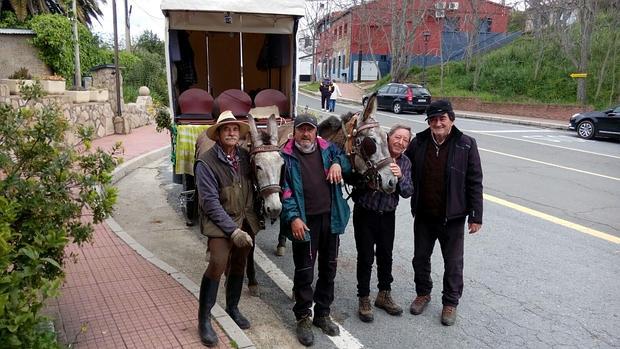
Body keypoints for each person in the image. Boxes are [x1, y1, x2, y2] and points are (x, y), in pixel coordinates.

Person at [404, 100, 483, 326]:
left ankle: (450, 302)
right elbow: (404, 166)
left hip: (454, 217)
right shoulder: (418, 143)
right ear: (428, 122)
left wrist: (476, 216)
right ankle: (423, 293)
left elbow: (475, 181)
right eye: (433, 119)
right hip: (424, 215)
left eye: (442, 119)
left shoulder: (466, 144)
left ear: (451, 119)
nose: (438, 123)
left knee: (454, 263)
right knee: (420, 258)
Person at [280, 113, 352, 346]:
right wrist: (293, 218)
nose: (305, 134)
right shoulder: (286, 156)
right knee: (304, 271)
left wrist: (337, 163)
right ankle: (303, 317)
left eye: (309, 129)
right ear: (294, 132)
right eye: (301, 129)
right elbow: (285, 190)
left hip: (330, 219)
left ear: (315, 132)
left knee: (329, 269)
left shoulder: (328, 149)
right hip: (304, 223)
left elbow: (347, 162)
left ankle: (322, 313)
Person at [194, 111, 260, 347]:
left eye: (235, 129)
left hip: (245, 219)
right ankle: (204, 319)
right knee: (218, 262)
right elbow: (209, 202)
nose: (231, 133)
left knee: (240, 263)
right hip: (220, 222)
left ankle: (233, 307)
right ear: (219, 134)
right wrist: (232, 231)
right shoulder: (206, 162)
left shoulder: (244, 156)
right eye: (226, 129)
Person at [352, 125, 414, 323]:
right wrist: (367, 182)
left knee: (386, 256)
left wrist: (400, 177)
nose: (400, 142)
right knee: (366, 257)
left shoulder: (405, 163)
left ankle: (384, 294)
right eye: (397, 137)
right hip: (365, 213)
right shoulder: (375, 153)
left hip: (388, 215)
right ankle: (364, 298)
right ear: (388, 137)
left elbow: (408, 191)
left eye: (405, 140)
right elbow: (354, 180)